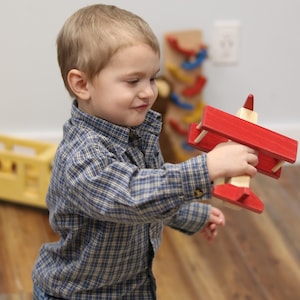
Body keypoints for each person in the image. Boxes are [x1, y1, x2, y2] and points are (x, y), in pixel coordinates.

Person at [32, 4, 258, 299]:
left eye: (152, 78)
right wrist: (205, 169)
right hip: (79, 293)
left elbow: (153, 189)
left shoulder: (135, 132)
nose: (149, 91)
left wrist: (189, 214)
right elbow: (132, 195)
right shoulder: (82, 156)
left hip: (130, 285)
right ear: (82, 84)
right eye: (133, 81)